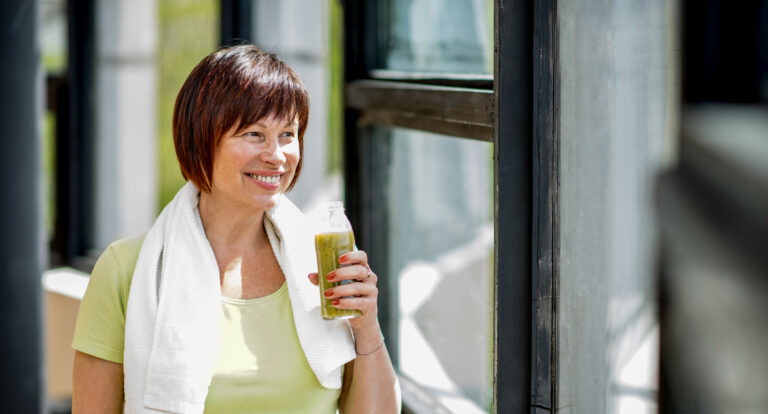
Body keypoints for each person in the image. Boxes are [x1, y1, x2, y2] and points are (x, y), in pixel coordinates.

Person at [71, 45, 400, 413]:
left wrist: (367, 327)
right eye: (254, 134)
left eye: (288, 134)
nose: (276, 155)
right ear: (202, 137)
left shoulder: (321, 268)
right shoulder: (126, 271)